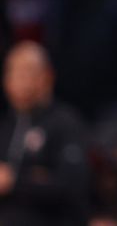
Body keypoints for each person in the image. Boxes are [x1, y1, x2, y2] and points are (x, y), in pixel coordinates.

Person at [0, 40, 89, 225]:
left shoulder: (65, 122)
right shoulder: (5, 125)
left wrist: (15, 181)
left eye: (26, 72)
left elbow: (72, 185)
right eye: (12, 72)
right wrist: (35, 176)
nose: (18, 80)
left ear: (47, 76)